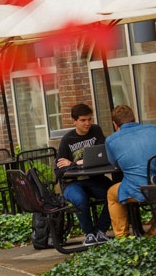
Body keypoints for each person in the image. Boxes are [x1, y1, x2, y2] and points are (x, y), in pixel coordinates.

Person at [105, 105, 156, 238]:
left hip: (141, 188)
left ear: (115, 124)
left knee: (111, 194)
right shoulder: (155, 129)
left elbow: (115, 164)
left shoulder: (111, 140)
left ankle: (122, 237)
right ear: (135, 118)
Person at [55, 103, 113, 246]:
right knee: (80, 199)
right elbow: (59, 170)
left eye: (89, 119)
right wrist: (76, 164)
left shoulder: (96, 131)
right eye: (83, 120)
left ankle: (100, 231)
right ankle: (89, 234)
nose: (87, 123)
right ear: (74, 121)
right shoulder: (67, 140)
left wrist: (76, 162)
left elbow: (105, 155)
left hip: (95, 179)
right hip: (72, 183)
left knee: (114, 193)